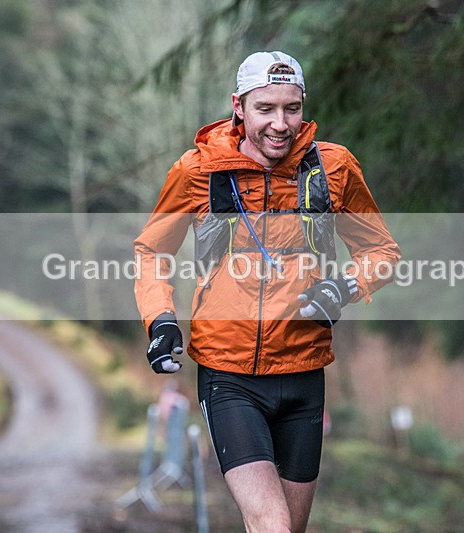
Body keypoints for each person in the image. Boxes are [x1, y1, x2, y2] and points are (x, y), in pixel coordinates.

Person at [134, 50, 400, 532]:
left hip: (304, 374)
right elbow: (152, 253)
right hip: (229, 374)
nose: (281, 123)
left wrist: (344, 287)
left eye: (292, 108)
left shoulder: (333, 169)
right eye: (266, 109)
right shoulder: (198, 171)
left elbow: (381, 251)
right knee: (272, 524)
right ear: (239, 106)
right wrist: (161, 318)